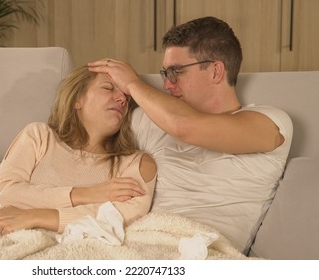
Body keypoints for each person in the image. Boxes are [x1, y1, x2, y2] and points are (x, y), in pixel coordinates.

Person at [88, 16, 293, 253]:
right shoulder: (152, 120)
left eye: (176, 72)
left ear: (216, 71)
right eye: (165, 73)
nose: (167, 85)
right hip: (140, 243)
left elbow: (185, 127)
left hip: (207, 252)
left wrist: (133, 83)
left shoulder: (270, 121)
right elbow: (81, 138)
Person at [0, 66, 157, 235]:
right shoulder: (39, 136)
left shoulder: (137, 164)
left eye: (127, 96)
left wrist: (34, 216)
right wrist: (88, 194)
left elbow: (118, 218)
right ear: (77, 99)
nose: (122, 99)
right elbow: (2, 196)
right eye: (109, 88)